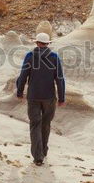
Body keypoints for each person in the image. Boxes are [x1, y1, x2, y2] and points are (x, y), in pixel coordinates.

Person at [16, 32, 66, 166]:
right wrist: (62, 97)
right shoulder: (54, 57)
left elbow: (23, 75)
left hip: (33, 96)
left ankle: (38, 157)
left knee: (35, 125)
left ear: (37, 43)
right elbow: (59, 78)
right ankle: (43, 151)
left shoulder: (30, 56)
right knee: (46, 124)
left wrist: (20, 91)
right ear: (48, 44)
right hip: (49, 97)